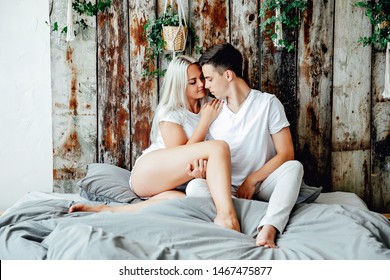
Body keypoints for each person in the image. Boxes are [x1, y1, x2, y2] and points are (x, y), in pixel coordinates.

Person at [69, 55, 240, 233]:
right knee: (219, 147)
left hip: (173, 183)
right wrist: (205, 122)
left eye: (202, 78)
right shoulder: (171, 113)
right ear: (179, 84)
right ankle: (226, 216)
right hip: (149, 172)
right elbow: (179, 154)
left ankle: (108, 210)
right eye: (193, 81)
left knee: (181, 203)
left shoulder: (207, 108)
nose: (201, 84)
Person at [186, 43, 304, 248]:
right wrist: (200, 170)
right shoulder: (212, 111)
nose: (206, 86)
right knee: (194, 187)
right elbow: (199, 155)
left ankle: (269, 227)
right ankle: (238, 215)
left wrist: (252, 180)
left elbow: (286, 153)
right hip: (227, 190)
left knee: (294, 168)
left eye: (210, 79)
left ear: (229, 76)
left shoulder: (268, 104)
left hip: (262, 184)